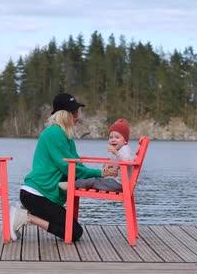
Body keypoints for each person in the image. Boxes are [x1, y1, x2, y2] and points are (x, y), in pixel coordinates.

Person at [9, 93, 118, 242]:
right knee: (74, 232)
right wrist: (100, 173)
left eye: (77, 112)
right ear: (63, 115)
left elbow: (77, 165)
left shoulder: (66, 136)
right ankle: (26, 217)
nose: (77, 116)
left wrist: (101, 171)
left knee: (72, 230)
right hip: (37, 195)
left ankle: (25, 213)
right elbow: (69, 168)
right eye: (73, 113)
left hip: (43, 195)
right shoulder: (54, 133)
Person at [58, 118, 134, 192]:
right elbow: (113, 164)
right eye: (111, 137)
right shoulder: (117, 151)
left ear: (125, 141)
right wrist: (107, 166)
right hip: (114, 182)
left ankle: (72, 185)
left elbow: (127, 161)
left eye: (117, 137)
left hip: (119, 184)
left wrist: (116, 153)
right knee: (94, 179)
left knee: (94, 181)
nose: (113, 139)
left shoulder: (125, 149)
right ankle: (74, 183)